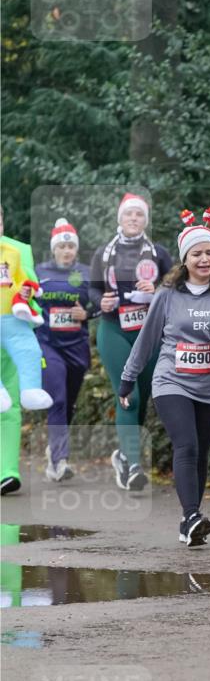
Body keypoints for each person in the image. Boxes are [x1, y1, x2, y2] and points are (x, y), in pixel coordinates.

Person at [118, 208, 210, 546]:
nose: (205, 259)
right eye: (197, 253)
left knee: (202, 452)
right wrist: (128, 378)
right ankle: (192, 514)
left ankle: (187, 521)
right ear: (185, 259)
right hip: (172, 381)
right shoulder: (167, 295)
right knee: (187, 444)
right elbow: (147, 338)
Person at [89, 192, 172, 491]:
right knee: (129, 395)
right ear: (120, 219)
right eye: (129, 214)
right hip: (114, 331)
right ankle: (135, 465)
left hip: (149, 333)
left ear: (145, 221)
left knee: (141, 397)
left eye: (139, 215)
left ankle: (124, 455)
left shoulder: (158, 252)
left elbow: (176, 286)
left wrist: (158, 288)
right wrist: (103, 302)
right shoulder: (104, 253)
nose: (134, 219)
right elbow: (93, 291)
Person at [35, 218, 95, 481]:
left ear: (76, 249)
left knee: (68, 403)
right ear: (54, 249)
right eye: (62, 246)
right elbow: (24, 300)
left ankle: (54, 450)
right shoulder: (38, 272)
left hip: (77, 347)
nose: (67, 250)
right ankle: (59, 461)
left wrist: (87, 313)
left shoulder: (87, 273)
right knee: (57, 399)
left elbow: (100, 303)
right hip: (47, 344)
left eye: (71, 246)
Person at [0, 206, 43, 495]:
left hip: (11, 334)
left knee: (10, 404)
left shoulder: (19, 250)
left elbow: (31, 286)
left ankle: (7, 472)